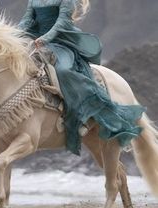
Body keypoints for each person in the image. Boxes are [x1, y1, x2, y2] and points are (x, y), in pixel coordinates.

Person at [18, 0, 145, 154]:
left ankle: (83, 116)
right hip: (34, 42)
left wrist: (45, 38)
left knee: (64, 71)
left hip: (60, 42)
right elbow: (27, 19)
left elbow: (62, 23)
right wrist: (15, 35)